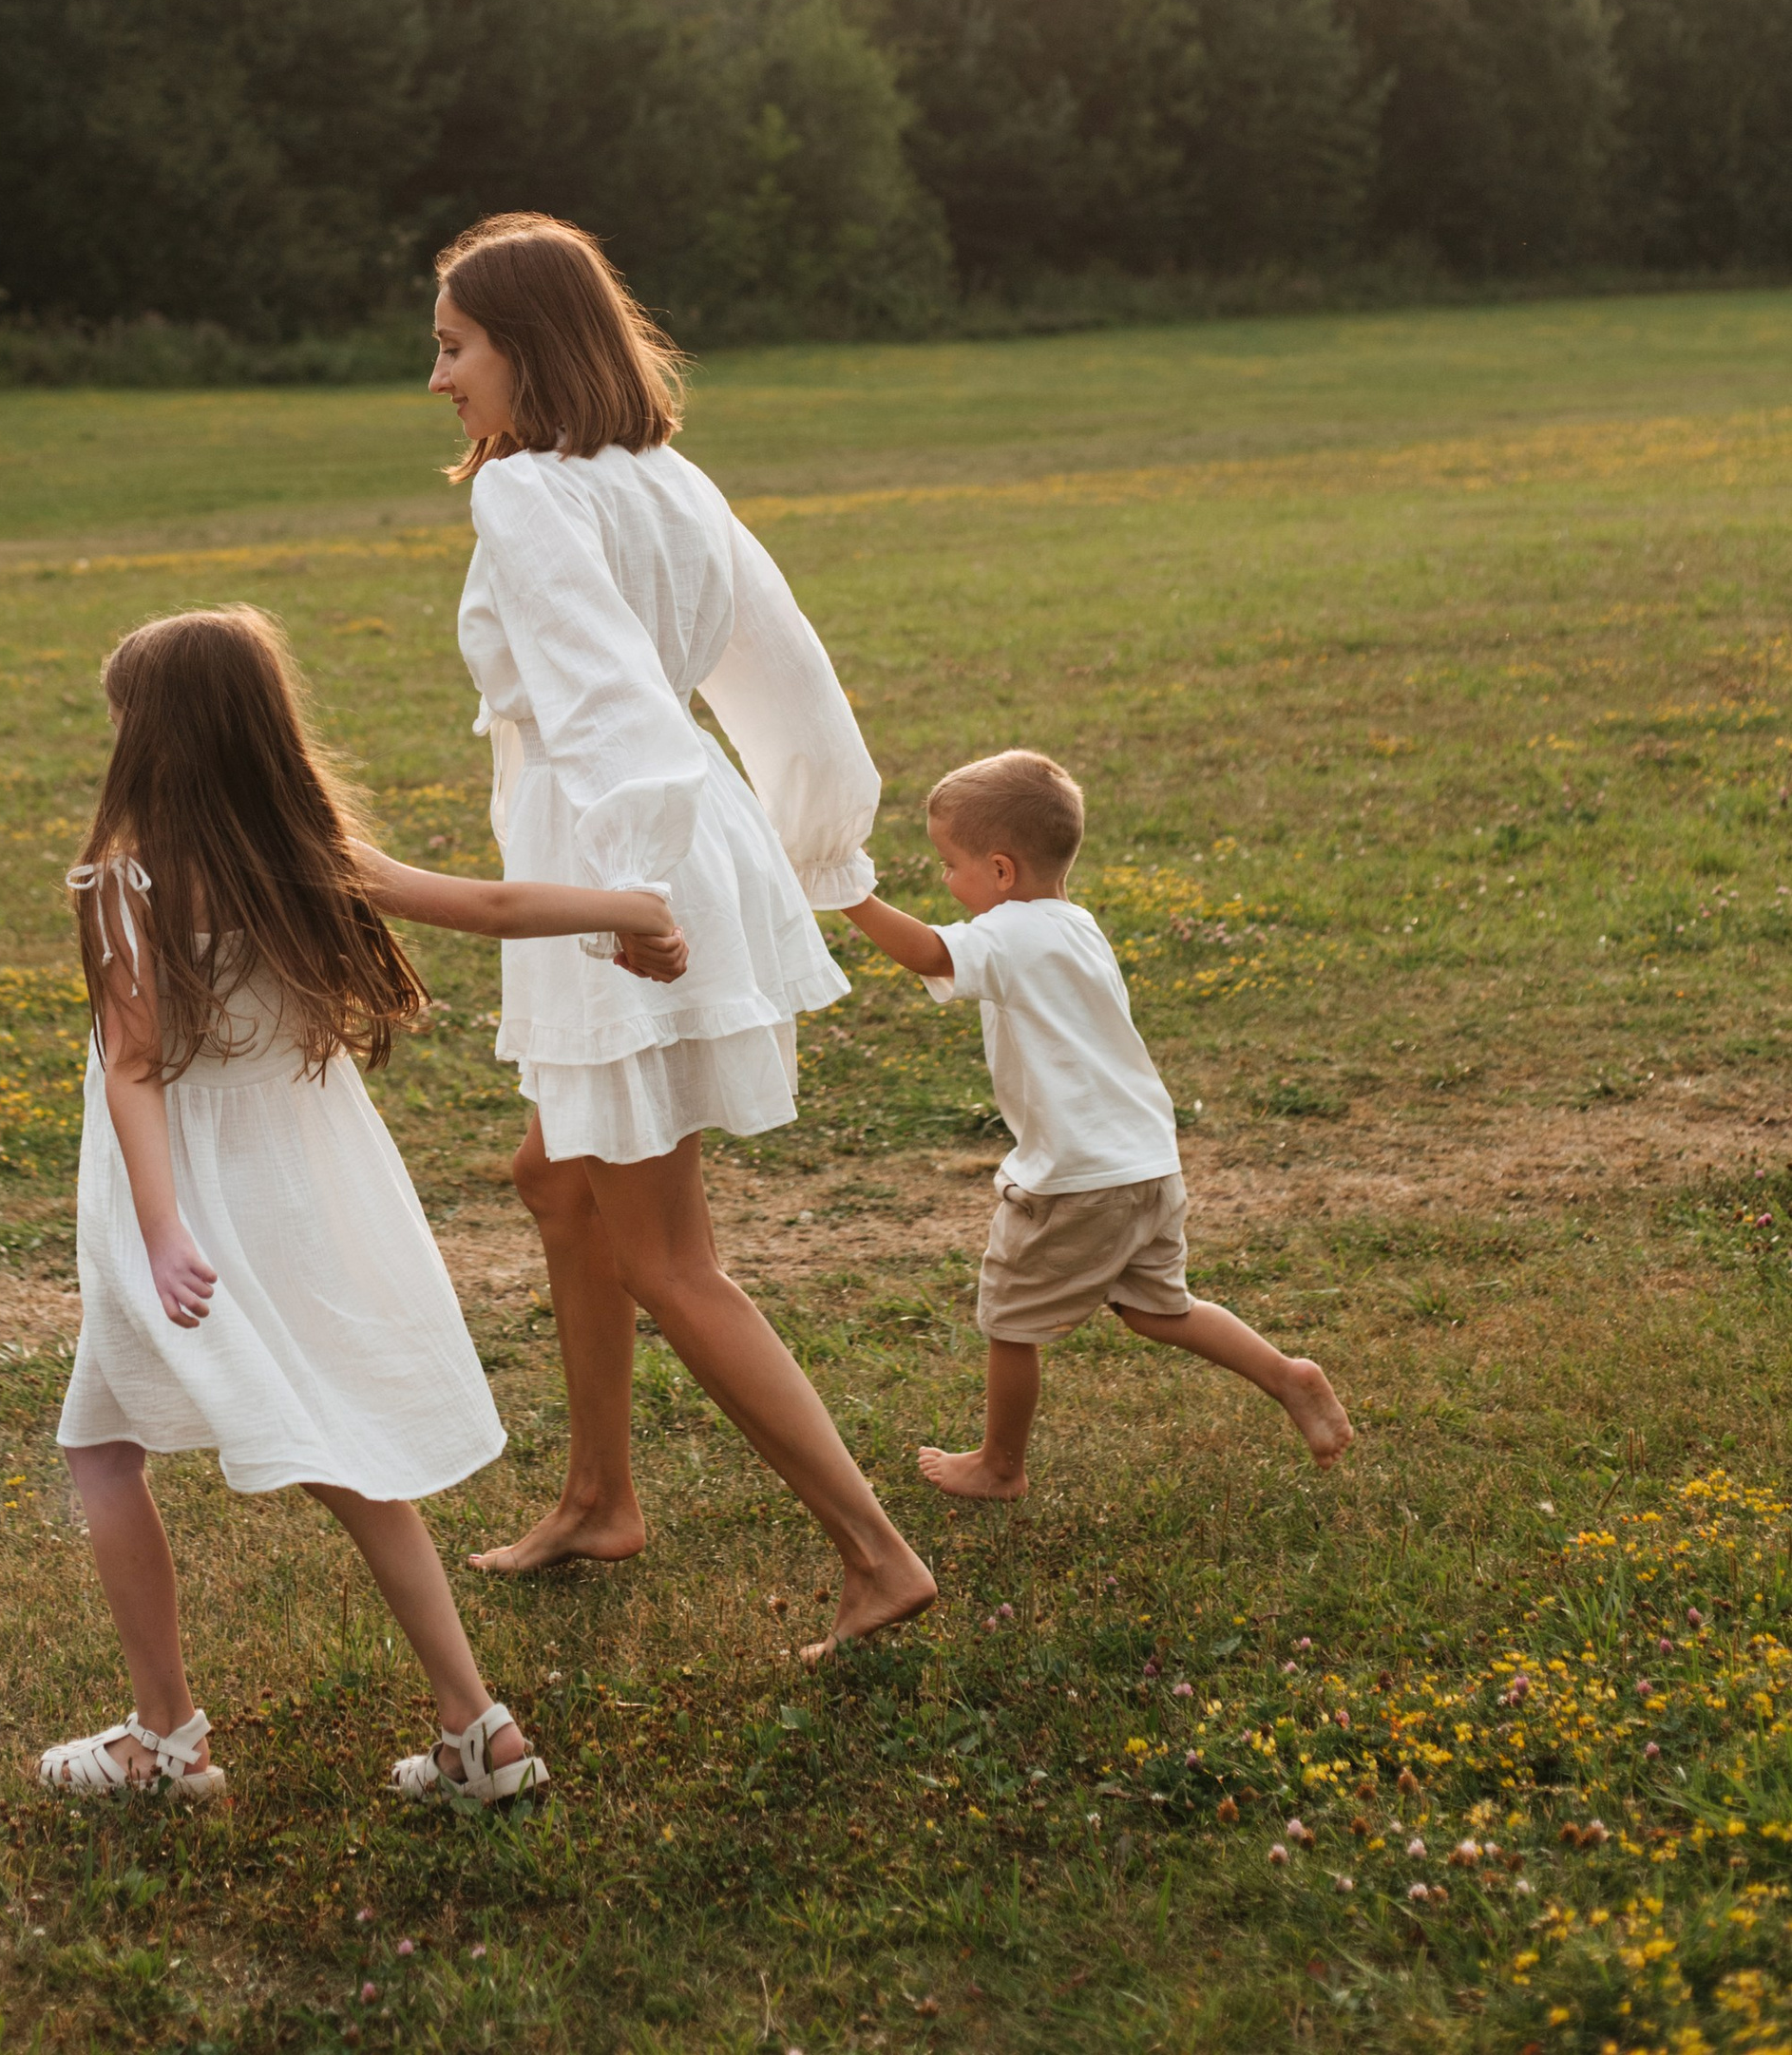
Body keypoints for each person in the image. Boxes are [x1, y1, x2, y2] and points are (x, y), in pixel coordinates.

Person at [35, 602, 690, 1812]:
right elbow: (488, 906)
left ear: (157, 740)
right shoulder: (306, 853)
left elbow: (132, 1069)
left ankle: (166, 1735)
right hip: (310, 1192)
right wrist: (632, 908)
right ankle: (478, 1730)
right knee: (344, 1462)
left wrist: (164, 1228)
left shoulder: (125, 884)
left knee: (101, 1448)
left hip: (188, 1207)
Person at [430, 211, 936, 1658]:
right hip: (659, 838)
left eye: (455, 347)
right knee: (555, 1176)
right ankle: (600, 1493)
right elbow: (788, 679)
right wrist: (810, 838)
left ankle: (874, 1551)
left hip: (615, 866)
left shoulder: (527, 493)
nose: (441, 378)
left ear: (526, 345)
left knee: (667, 1250)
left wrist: (642, 888)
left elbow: (595, 693)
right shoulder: (665, 473)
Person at [841, 747, 1354, 1496]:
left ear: (1003, 871)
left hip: (1076, 1179)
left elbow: (925, 949)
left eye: (950, 865)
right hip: (1145, 1162)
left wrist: (850, 893)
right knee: (1158, 1309)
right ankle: (1286, 1373)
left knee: (1011, 1324)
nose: (945, 882)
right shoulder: (1076, 924)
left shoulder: (1009, 931)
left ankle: (999, 1466)